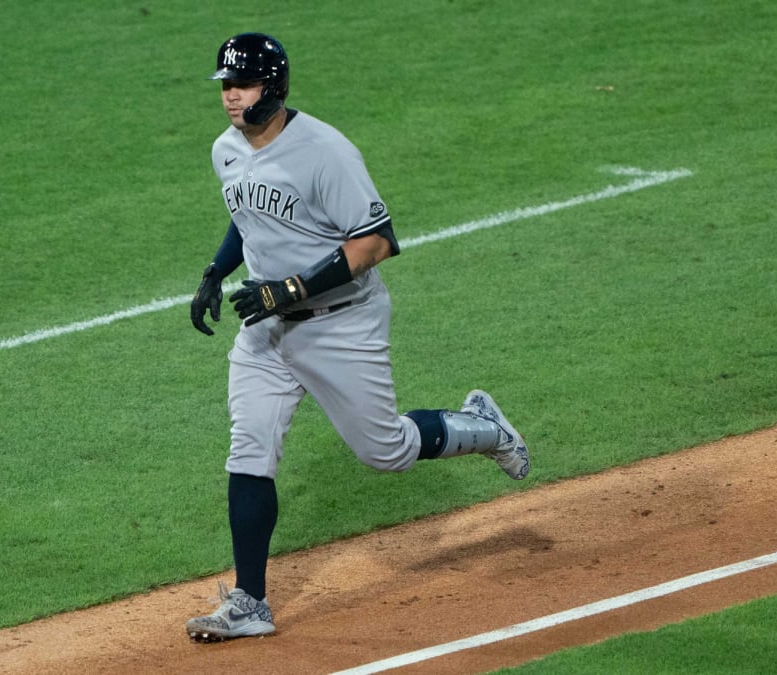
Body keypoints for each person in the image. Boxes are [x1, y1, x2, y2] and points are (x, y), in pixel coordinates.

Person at [185, 32, 530, 643]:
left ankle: (483, 427)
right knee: (249, 449)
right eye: (225, 87)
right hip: (266, 333)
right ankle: (250, 603)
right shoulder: (226, 150)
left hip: (341, 324)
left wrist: (288, 290)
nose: (231, 98)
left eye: (242, 86)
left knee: (385, 451)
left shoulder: (325, 153)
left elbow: (376, 242)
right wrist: (216, 272)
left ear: (275, 86)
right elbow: (248, 215)